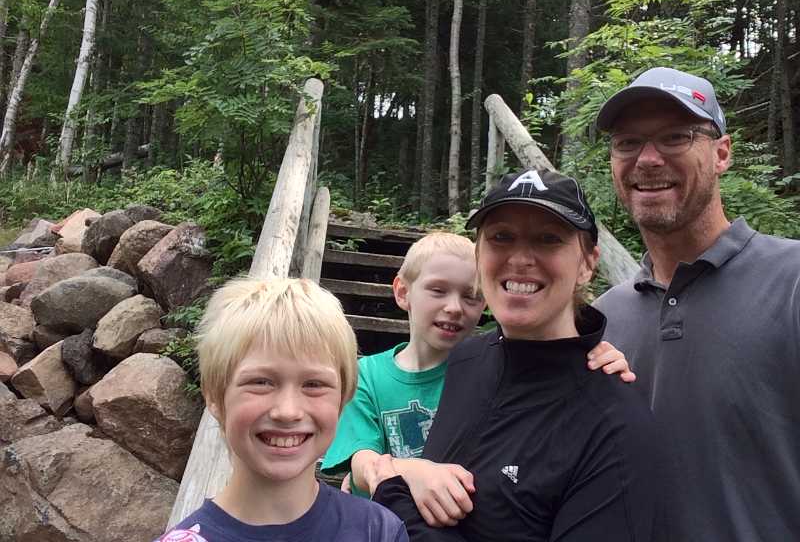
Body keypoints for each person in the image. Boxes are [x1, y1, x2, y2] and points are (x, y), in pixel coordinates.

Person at [371, 169, 663, 541]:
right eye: (501, 237)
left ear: (587, 263)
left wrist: (393, 492)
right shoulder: (465, 361)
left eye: (548, 239)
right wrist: (407, 472)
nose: (520, 258)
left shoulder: (614, 426)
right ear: (479, 254)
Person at [593, 66, 800, 541]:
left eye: (675, 137)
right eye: (627, 143)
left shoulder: (791, 283)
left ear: (722, 153)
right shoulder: (602, 319)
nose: (647, 159)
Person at [322, 232, 634, 529]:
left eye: (471, 296)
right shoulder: (367, 375)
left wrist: (588, 358)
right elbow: (361, 464)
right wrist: (411, 471)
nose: (454, 308)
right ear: (403, 292)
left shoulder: (496, 372)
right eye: (438, 290)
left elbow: (554, 369)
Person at [155, 277, 408, 542]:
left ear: (343, 398)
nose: (288, 411)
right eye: (261, 382)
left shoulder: (378, 531)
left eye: (314, 384)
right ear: (214, 396)